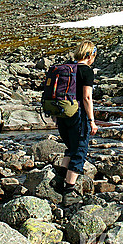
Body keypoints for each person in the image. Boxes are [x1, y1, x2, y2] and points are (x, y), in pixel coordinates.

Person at [50, 40, 98, 206]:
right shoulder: (86, 71)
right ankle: (69, 191)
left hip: (62, 114)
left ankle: (58, 179)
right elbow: (86, 97)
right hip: (78, 115)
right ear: (89, 55)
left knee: (71, 147)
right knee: (80, 150)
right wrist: (92, 121)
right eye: (93, 55)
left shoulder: (66, 69)